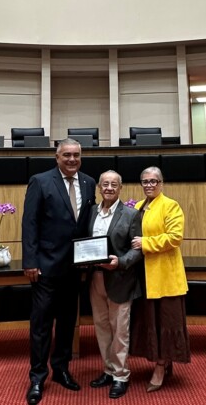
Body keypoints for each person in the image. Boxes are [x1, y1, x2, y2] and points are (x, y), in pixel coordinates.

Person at [22, 138, 97, 405]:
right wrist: (30, 262)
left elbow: (88, 224)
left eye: (76, 155)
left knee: (67, 323)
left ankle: (61, 369)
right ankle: (37, 377)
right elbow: (29, 223)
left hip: (74, 269)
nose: (72, 159)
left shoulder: (89, 182)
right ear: (57, 157)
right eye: (67, 155)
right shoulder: (40, 181)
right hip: (45, 268)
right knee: (41, 325)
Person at [130, 166, 190, 392]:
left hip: (165, 277)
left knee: (167, 321)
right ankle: (161, 361)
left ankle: (161, 365)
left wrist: (145, 243)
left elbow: (175, 238)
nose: (149, 185)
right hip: (144, 276)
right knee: (151, 321)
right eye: (145, 181)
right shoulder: (137, 207)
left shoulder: (170, 205)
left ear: (161, 183)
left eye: (154, 181)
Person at [87, 170, 143, 399]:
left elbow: (137, 250)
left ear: (121, 188)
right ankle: (108, 370)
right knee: (101, 328)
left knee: (120, 331)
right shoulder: (91, 212)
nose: (109, 188)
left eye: (114, 184)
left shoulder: (131, 214)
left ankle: (121, 375)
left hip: (120, 280)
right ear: (99, 188)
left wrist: (120, 262)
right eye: (105, 184)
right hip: (95, 279)